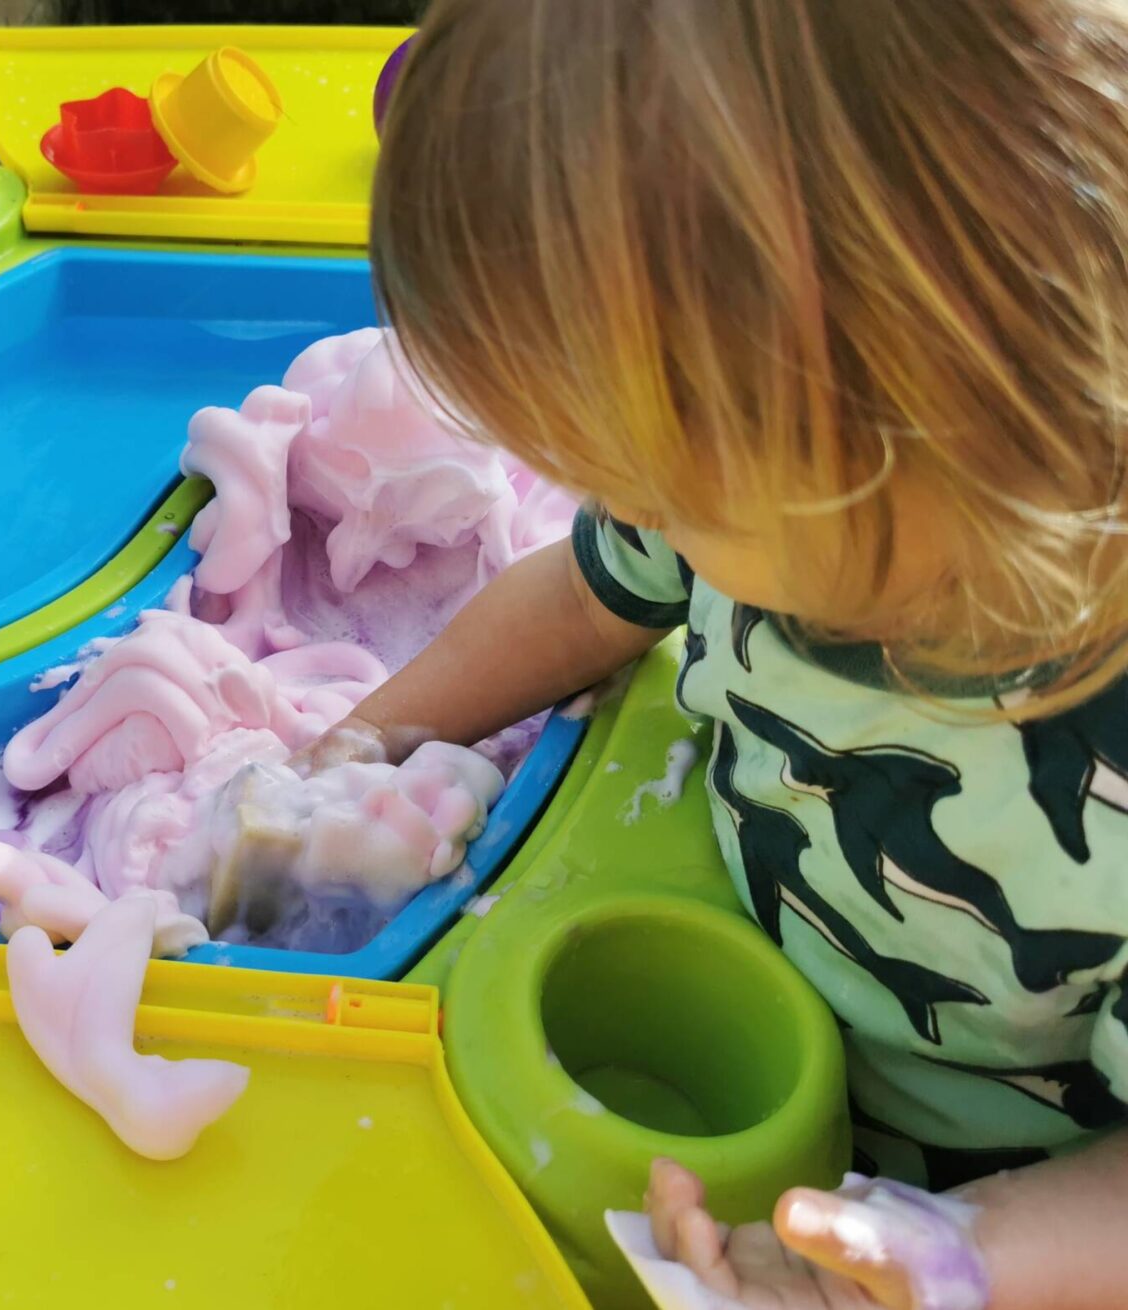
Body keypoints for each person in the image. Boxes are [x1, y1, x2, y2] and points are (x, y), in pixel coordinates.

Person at [293, 2, 1128, 1305]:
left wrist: (961, 1256)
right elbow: (578, 599)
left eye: (662, 488)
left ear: (901, 418)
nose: (633, 513)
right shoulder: (791, 498)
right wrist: (363, 740)